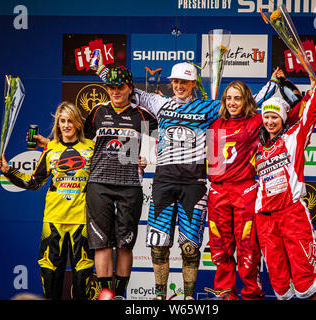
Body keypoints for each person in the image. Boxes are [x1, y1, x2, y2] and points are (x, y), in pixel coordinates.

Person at [96, 55, 280, 300]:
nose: (180, 86)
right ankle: (160, 296)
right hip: (163, 182)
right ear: (171, 83)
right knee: (159, 246)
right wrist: (100, 70)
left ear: (194, 83)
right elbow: (127, 90)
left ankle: (188, 297)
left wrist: (273, 83)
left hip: (194, 184)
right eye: (176, 82)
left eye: (185, 82)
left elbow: (249, 101)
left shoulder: (210, 107)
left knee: (190, 248)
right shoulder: (159, 103)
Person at [206, 69, 306, 300]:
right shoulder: (214, 124)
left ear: (246, 100)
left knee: (248, 248)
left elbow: (287, 118)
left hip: (245, 190)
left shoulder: (256, 121)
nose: (232, 102)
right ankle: (225, 294)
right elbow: (207, 157)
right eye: (228, 98)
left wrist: (303, 95)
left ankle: (251, 294)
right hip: (218, 190)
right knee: (220, 247)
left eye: (237, 98)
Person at [254, 50, 316, 300]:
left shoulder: (294, 138)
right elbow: (241, 112)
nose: (270, 122)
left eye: (275, 117)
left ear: (283, 119)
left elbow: (312, 109)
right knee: (280, 284)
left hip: (291, 213)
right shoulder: (258, 145)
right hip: (264, 218)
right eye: (267, 117)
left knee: (306, 278)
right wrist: (274, 84)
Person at [0, 102, 95, 300]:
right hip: (54, 219)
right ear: (58, 124)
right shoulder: (51, 149)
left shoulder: (91, 148)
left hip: (82, 221)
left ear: (78, 123)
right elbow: (34, 183)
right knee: (50, 273)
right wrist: (9, 171)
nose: (66, 125)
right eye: (62, 121)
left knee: (82, 274)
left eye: (70, 121)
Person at [83, 66, 157, 299]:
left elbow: (157, 144)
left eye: (120, 87)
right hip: (99, 182)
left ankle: (120, 295)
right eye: (111, 87)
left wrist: (148, 157)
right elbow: (82, 143)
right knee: (101, 243)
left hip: (129, 184)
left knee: (125, 244)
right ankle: (105, 295)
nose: (115, 91)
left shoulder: (143, 115)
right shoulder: (97, 112)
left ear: (130, 88)